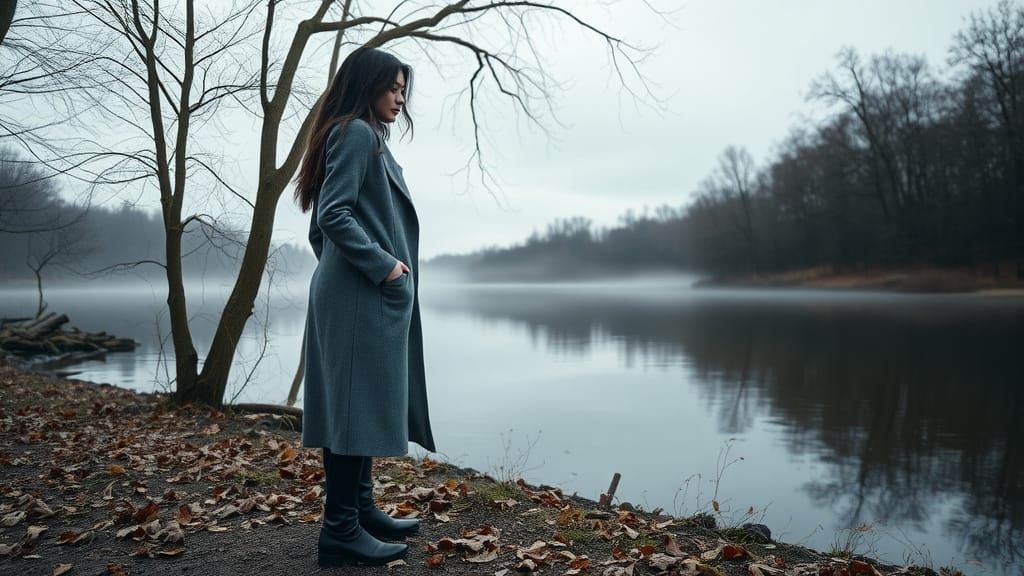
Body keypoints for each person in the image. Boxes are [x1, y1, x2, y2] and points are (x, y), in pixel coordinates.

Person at [293, 46, 437, 568]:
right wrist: (384, 267)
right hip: (361, 292)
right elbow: (332, 215)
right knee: (354, 408)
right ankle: (340, 531)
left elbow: (320, 228)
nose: (400, 98)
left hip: (356, 291)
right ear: (366, 84)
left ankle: (360, 510)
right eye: (392, 88)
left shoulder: (365, 135)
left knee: (358, 406)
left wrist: (347, 271)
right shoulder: (355, 133)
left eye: (403, 90)